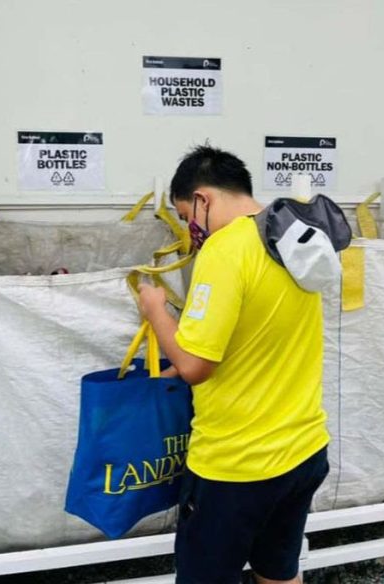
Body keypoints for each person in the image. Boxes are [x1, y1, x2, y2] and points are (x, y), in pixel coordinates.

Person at [138, 145, 329, 584]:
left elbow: (195, 367)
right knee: (278, 570)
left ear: (203, 199)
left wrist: (156, 311)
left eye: (188, 216)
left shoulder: (225, 250)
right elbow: (257, 337)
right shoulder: (293, 235)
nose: (191, 229)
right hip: (304, 450)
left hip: (238, 466)